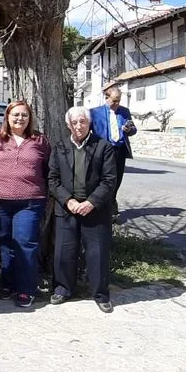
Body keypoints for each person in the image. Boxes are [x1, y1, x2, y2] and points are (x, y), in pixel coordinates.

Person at [0, 100, 51, 308]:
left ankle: (26, 289)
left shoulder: (39, 140)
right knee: (4, 243)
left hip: (30, 201)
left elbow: (49, 168)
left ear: (30, 118)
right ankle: (8, 284)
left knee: (25, 243)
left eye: (24, 115)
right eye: (15, 114)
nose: (20, 118)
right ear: (7, 117)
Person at [48, 107, 117, 313]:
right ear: (68, 125)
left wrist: (91, 202)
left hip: (95, 210)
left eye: (82, 121)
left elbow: (109, 180)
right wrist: (67, 200)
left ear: (89, 123)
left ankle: (100, 294)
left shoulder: (103, 147)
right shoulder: (60, 147)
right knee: (64, 252)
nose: (79, 126)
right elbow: (52, 179)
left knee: (97, 254)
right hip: (67, 209)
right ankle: (62, 289)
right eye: (74, 122)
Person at [89, 86, 136, 218]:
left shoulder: (125, 112)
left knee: (117, 180)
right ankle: (106, 208)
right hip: (103, 151)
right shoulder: (94, 112)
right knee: (103, 180)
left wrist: (129, 130)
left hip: (119, 151)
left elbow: (133, 129)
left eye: (118, 100)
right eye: (114, 100)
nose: (116, 103)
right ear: (106, 98)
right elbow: (87, 131)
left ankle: (111, 205)